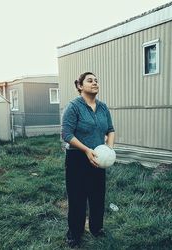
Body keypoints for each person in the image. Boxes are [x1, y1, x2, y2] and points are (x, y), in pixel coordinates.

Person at [61, 72, 115, 248]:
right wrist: (86, 150)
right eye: (90, 81)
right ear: (80, 86)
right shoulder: (74, 107)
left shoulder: (103, 107)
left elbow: (110, 130)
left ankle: (96, 228)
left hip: (99, 157)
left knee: (97, 196)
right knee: (77, 198)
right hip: (77, 157)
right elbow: (67, 134)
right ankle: (74, 234)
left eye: (96, 81)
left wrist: (109, 149)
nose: (94, 83)